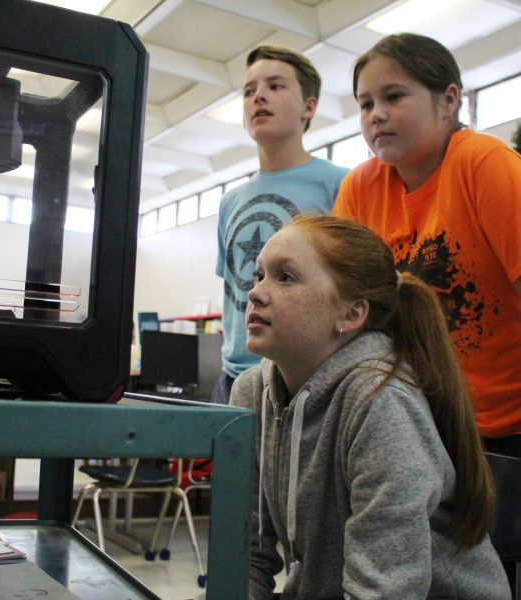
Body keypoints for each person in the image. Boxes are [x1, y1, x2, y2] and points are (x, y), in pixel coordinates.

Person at [231, 214, 510, 599]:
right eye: (259, 275)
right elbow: (244, 560)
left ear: (351, 314)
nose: (256, 293)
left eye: (285, 277)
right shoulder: (250, 392)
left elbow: (387, 591)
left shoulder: (380, 401)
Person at [332, 33, 521, 456]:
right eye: (365, 104)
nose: (377, 115)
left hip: (510, 420)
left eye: (394, 96)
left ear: (448, 100)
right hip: (429, 416)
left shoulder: (484, 164)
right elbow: (343, 308)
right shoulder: (359, 188)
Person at [213, 45, 349, 405]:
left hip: (306, 378)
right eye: (249, 91)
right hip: (233, 379)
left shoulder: (340, 185)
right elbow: (234, 289)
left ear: (309, 106)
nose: (258, 96)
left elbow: (351, 284)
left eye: (275, 86)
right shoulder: (229, 202)